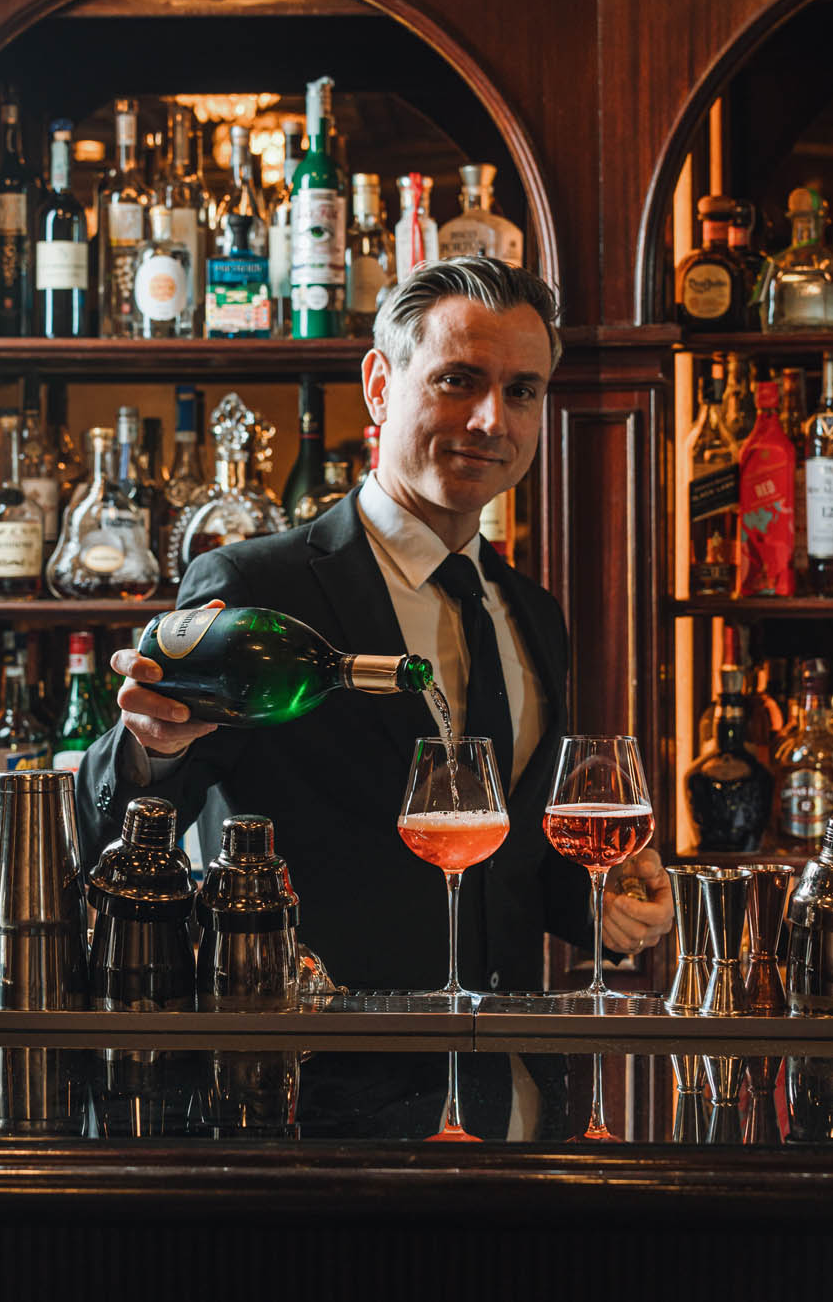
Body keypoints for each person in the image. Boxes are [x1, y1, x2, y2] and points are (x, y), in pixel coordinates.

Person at [77, 256, 673, 992]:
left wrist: (600, 899)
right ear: (380, 386)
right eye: (458, 381)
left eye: (521, 391)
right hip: (313, 1047)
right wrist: (150, 748)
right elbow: (124, 834)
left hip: (502, 1047)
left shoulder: (533, 610)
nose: (492, 420)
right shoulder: (256, 586)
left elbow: (507, 866)